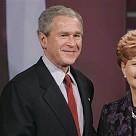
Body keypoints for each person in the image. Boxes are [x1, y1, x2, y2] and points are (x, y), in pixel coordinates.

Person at [0, 5, 96, 136]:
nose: (72, 43)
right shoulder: (19, 89)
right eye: (64, 35)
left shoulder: (85, 84)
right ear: (43, 40)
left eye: (77, 35)